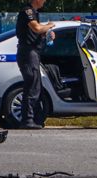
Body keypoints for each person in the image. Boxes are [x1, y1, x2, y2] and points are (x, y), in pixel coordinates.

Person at [16, 0, 55, 129]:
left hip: (32, 53)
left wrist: (47, 33)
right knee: (32, 85)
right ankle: (27, 120)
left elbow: (35, 32)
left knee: (36, 86)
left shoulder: (34, 13)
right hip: (28, 53)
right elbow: (36, 28)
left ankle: (36, 118)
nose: (44, 1)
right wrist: (49, 25)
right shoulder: (27, 11)